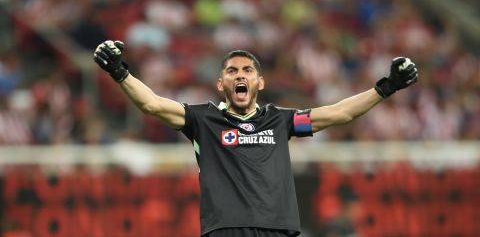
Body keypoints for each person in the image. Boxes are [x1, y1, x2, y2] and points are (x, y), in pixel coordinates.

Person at [93, 40, 418, 237]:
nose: (240, 75)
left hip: (278, 227)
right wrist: (120, 72)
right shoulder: (202, 120)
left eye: (247, 70)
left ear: (259, 82)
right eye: (232, 71)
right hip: (226, 229)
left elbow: (338, 114)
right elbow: (151, 103)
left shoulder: (280, 120)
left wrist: (385, 87)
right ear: (221, 84)